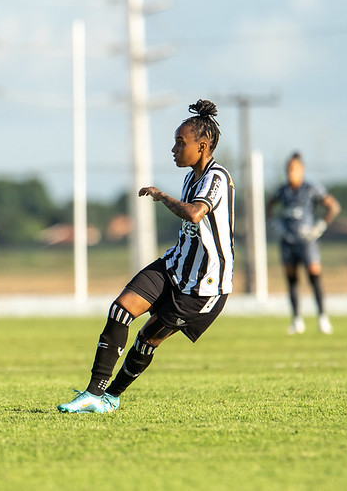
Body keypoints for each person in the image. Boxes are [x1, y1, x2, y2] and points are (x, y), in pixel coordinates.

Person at [57, 99, 234, 414]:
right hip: (174, 265)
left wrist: (161, 195)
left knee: (147, 339)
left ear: (203, 146)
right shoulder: (193, 175)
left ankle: (110, 397)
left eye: (181, 143)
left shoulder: (216, 178)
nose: (174, 149)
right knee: (120, 310)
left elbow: (195, 214)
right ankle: (92, 394)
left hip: (201, 287)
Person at [266, 152, 341, 335]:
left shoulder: (310, 188)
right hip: (288, 241)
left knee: (314, 277)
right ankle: (296, 320)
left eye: (293, 169)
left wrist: (320, 226)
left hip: (307, 241)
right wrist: (276, 224)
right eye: (288, 169)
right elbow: (269, 207)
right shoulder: (282, 191)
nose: (290, 172)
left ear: (301, 170)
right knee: (292, 280)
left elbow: (333, 206)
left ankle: (323, 318)